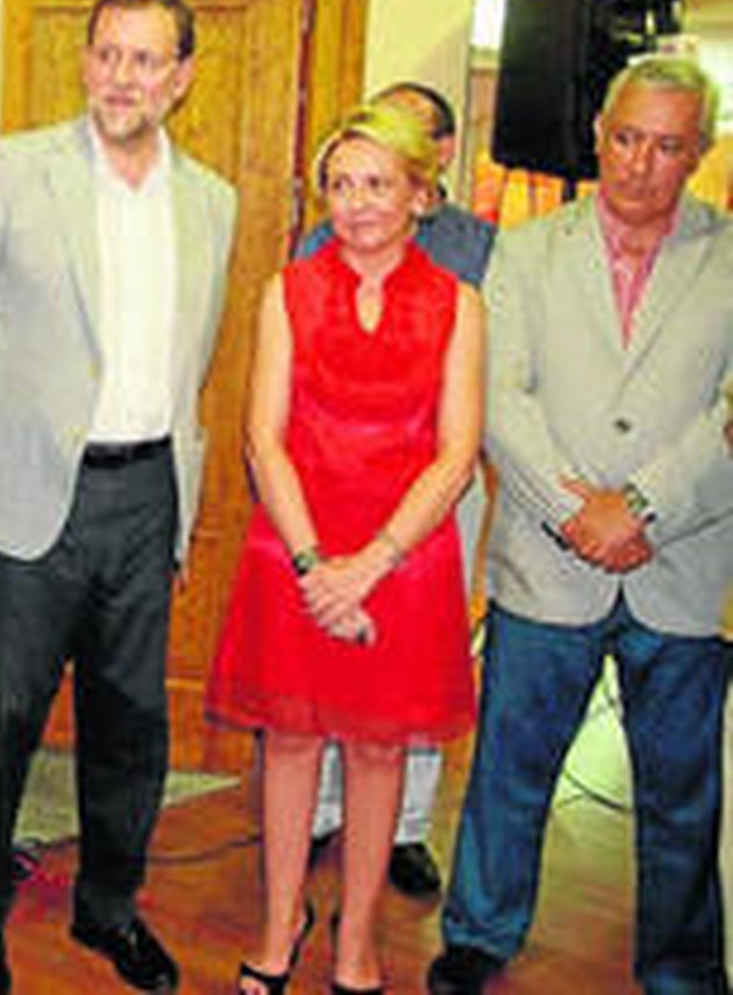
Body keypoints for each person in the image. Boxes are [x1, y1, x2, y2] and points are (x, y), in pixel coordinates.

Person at [0, 0, 238, 994]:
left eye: (147, 58)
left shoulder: (211, 203)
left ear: (181, 77)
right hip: (23, 504)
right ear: (86, 58)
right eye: (108, 52)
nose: (123, 76)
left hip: (145, 494)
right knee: (6, 719)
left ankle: (109, 909)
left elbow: (187, 358)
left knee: (130, 727)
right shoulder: (12, 173)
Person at [428, 56, 733, 995]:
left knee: (682, 797)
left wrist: (640, 506)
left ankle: (681, 966)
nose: (641, 164)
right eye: (627, 138)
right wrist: (576, 514)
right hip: (548, 560)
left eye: (668, 146)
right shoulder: (525, 250)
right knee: (510, 772)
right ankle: (480, 931)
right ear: (599, 134)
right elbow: (498, 394)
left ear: (702, 152)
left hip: (680, 565)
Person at [207, 102, 482, 994]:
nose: (356, 203)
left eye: (377, 183)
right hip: (294, 549)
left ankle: (356, 939)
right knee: (287, 745)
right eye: (340, 183)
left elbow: (457, 453)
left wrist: (368, 565)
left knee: (376, 753)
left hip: (403, 563)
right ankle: (280, 921)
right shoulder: (286, 289)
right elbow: (262, 439)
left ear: (419, 194)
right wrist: (314, 565)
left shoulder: (460, 305)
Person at [299, 81, 496, 899]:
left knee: (411, 676)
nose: (363, 196)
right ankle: (322, 812)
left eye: (394, 157)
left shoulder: (483, 250)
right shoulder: (319, 238)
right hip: (331, 486)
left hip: (433, 491)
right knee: (330, 665)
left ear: (436, 158)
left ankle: (406, 829)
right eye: (350, 176)